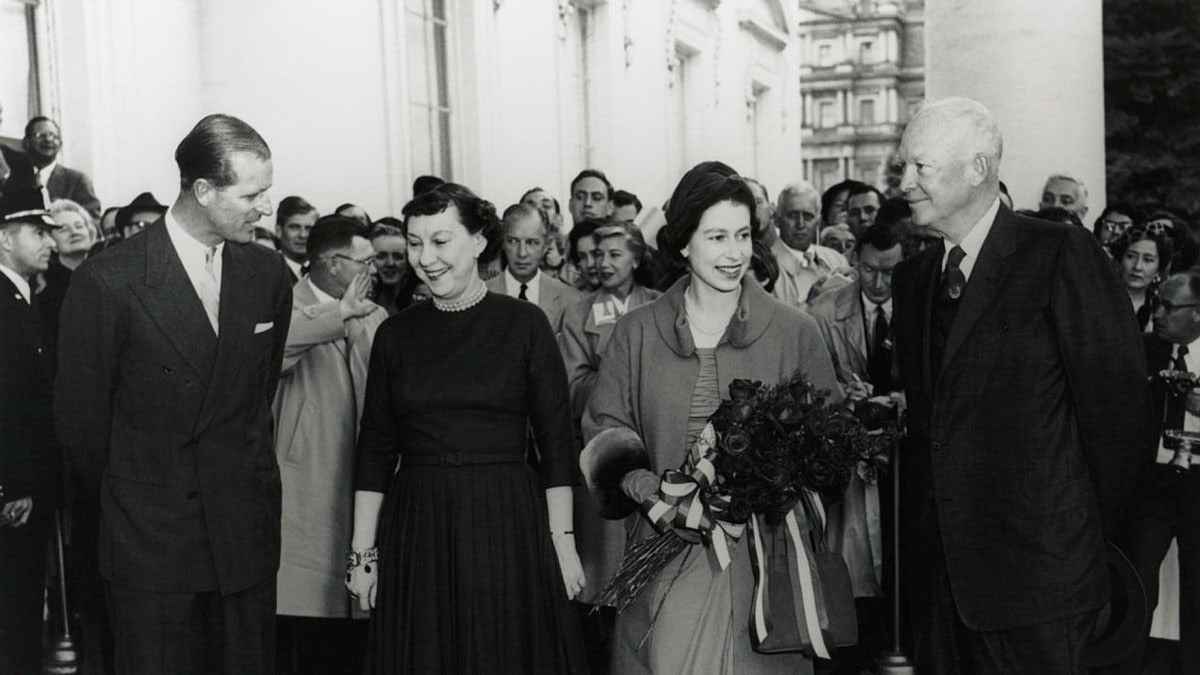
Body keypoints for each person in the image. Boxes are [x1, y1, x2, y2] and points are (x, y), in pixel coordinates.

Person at [890, 97, 1152, 674]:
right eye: (902, 167)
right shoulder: (911, 281)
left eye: (920, 167)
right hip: (941, 585)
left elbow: (1120, 411)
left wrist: (1076, 533)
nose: (904, 183)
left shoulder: (1058, 252)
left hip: (1042, 580)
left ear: (978, 168)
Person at [55, 113, 292, 674]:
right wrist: (141, 494)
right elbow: (81, 428)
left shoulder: (267, 272)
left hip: (245, 539)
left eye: (269, 192)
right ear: (203, 190)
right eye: (253, 193)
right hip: (151, 547)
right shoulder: (109, 280)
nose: (265, 208)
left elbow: (256, 399)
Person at [583, 160, 841, 675]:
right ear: (683, 243)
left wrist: (777, 483)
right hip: (666, 550)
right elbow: (603, 434)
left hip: (765, 561)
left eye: (743, 235)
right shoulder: (636, 332)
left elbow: (830, 447)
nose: (734, 253)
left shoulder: (795, 331)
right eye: (717, 236)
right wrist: (656, 495)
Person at [346, 182, 587, 673]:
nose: (425, 258)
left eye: (440, 241)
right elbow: (374, 447)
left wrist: (561, 542)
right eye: (415, 243)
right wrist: (361, 553)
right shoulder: (395, 334)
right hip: (420, 523)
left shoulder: (526, 324)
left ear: (479, 241)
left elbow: (555, 440)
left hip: (508, 521)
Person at [273, 215, 386, 675]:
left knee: (355, 639)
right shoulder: (283, 307)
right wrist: (339, 315)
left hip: (362, 489)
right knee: (302, 630)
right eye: (365, 260)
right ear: (331, 262)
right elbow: (273, 350)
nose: (373, 269)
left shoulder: (376, 315)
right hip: (303, 495)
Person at [558, 220, 661, 672]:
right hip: (601, 461)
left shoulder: (660, 307)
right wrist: (621, 380)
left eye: (615, 254)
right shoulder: (579, 314)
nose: (603, 263)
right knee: (602, 587)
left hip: (657, 456)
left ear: (636, 258)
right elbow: (573, 385)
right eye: (597, 254)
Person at [807, 222, 905, 673]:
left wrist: (903, 402)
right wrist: (842, 399)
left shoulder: (922, 306)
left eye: (890, 272)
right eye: (868, 270)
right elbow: (808, 388)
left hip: (906, 460)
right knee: (854, 571)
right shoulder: (825, 312)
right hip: (848, 462)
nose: (879, 283)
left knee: (902, 570)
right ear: (855, 264)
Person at [1113, 270, 1200, 675]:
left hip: (1198, 482)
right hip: (1154, 484)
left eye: (1170, 306)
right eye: (1157, 302)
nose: (1158, 313)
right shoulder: (1143, 350)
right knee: (1137, 578)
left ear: (1197, 313)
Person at [0, 188, 61, 675]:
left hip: (28, 484)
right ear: (4, 239)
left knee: (22, 604)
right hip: (14, 492)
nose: (51, 242)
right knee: (14, 607)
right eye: (38, 233)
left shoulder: (20, 297)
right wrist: (13, 485)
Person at [487, 203, 582, 329]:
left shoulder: (570, 299)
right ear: (503, 242)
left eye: (532, 243)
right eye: (513, 241)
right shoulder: (481, 295)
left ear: (546, 245)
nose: (522, 253)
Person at [770, 180, 849, 307]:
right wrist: (810, 303)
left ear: (818, 222)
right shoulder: (764, 267)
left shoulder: (837, 260)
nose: (800, 224)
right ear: (777, 220)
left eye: (808, 217)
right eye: (792, 215)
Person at [12, 116, 102, 219]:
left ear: (60, 144)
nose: (48, 140)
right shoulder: (14, 179)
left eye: (54, 136)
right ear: (26, 143)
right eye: (40, 135)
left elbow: (92, 221)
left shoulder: (77, 181)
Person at [37, 198, 98, 348]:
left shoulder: (109, 277)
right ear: (51, 242)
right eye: (62, 229)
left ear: (90, 233)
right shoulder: (46, 291)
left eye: (79, 226)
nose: (74, 232)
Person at [1111, 223, 1173, 331]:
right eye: (1131, 256)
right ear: (1120, 260)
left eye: (1148, 260)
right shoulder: (1097, 298)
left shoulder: (1160, 309)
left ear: (1159, 268)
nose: (1137, 267)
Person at [369, 219, 418, 315]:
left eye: (398, 256)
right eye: (381, 256)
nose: (390, 263)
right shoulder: (360, 306)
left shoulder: (419, 301)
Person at [276, 195, 319, 283]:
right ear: (279, 231)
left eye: (309, 228)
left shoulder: (322, 271)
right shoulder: (267, 270)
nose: (303, 235)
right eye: (294, 227)